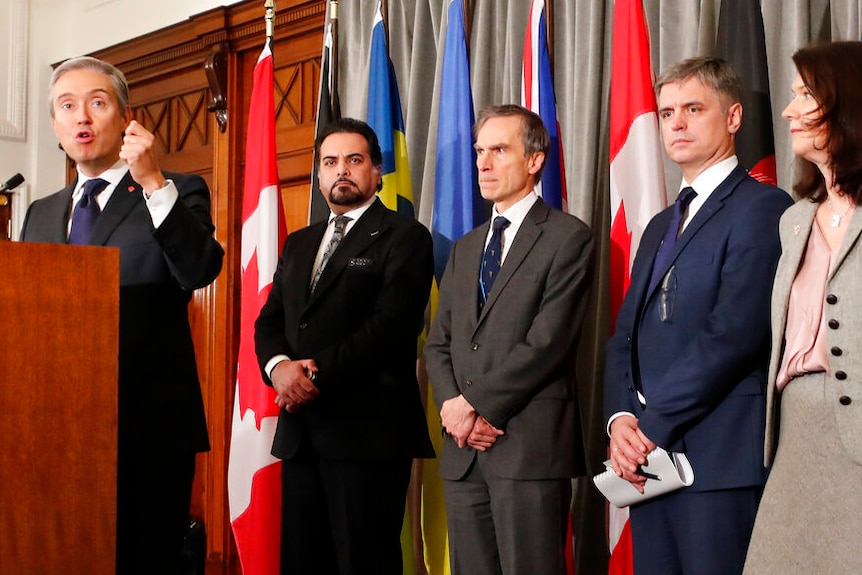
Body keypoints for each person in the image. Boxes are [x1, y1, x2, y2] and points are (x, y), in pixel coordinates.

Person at [19, 56, 224, 574]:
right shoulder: (40, 212)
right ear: (55, 127)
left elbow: (200, 269)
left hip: (148, 430)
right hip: (54, 433)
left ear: (126, 115)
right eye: (67, 107)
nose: (81, 117)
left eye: (96, 102)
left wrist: (153, 180)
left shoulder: (176, 188)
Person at [604, 57, 792, 575]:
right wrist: (620, 419)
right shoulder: (663, 222)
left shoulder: (763, 207)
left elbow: (734, 335)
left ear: (733, 118)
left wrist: (650, 427)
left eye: (693, 109)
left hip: (717, 459)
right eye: (666, 113)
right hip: (649, 459)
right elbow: (625, 336)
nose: (677, 124)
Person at [254, 118, 435, 575]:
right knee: (301, 561)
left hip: (367, 434)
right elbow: (269, 321)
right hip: (302, 434)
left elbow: (391, 326)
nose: (342, 171)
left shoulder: (405, 236)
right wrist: (279, 369)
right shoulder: (299, 243)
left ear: (376, 171)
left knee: (363, 562)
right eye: (330, 162)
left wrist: (311, 375)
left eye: (354, 160)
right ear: (318, 175)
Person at [424, 104, 594, 575]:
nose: (483, 163)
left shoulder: (568, 237)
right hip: (464, 454)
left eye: (499, 150)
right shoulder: (465, 247)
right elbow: (439, 342)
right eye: (481, 151)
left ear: (535, 160)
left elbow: (548, 344)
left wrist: (473, 405)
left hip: (527, 448)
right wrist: (453, 409)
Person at [743, 41, 862, 574]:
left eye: (804, 95)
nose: (788, 111)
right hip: (796, 443)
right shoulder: (794, 220)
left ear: (846, 103)